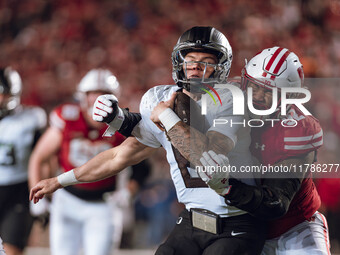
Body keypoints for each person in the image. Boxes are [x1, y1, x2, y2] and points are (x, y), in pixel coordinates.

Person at [30, 26, 266, 255]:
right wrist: (60, 180)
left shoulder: (232, 100)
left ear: (220, 66)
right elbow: (117, 157)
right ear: (179, 62)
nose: (196, 67)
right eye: (190, 58)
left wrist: (166, 117)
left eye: (207, 60)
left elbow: (208, 158)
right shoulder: (161, 100)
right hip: (194, 219)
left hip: (237, 220)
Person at [202, 47, 330, 254]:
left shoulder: (298, 128)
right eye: (253, 86)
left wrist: (226, 187)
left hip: (294, 227)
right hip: (242, 226)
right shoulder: (228, 97)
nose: (257, 96)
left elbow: (275, 202)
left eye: (269, 91)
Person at [28, 69, 127, 255]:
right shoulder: (68, 117)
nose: (98, 99)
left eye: (104, 94)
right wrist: (36, 198)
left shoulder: (123, 124)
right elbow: (39, 156)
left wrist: (128, 191)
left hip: (103, 203)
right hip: (67, 199)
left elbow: (139, 165)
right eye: (93, 94)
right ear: (83, 96)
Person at [0, 67, 47, 255]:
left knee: (12, 250)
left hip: (18, 190)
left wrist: (43, 195)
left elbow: (43, 158)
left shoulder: (31, 118)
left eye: (2, 94)